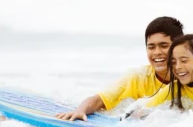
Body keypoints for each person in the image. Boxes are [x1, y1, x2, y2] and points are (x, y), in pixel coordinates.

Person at [55, 16, 184, 121]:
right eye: (151, 47)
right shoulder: (138, 77)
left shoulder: (189, 79)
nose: (156, 52)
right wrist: (80, 111)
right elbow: (98, 100)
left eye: (164, 45)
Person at [133, 34, 193, 116]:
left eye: (184, 61)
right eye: (173, 62)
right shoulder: (174, 89)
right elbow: (143, 110)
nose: (177, 67)